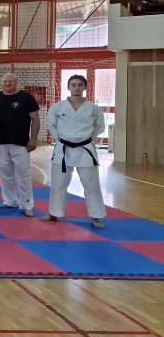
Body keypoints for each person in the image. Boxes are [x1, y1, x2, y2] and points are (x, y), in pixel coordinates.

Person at [43, 75, 107, 229]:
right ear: (68, 87)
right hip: (63, 148)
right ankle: (54, 213)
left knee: (92, 185)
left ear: (85, 87)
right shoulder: (58, 107)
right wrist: (60, 139)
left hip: (85, 149)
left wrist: (86, 139)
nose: (76, 87)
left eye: (80, 84)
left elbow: (100, 127)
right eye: (73, 85)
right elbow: (51, 125)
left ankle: (95, 216)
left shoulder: (93, 108)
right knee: (58, 183)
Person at [0, 73, 40, 217]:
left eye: (11, 81)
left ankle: (27, 204)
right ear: (1, 82)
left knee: (23, 174)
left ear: (16, 82)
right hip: (0, 142)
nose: (8, 83)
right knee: (5, 173)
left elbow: (35, 119)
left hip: (21, 143)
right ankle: (9, 200)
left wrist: (34, 139)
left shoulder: (26, 97)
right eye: (5, 81)